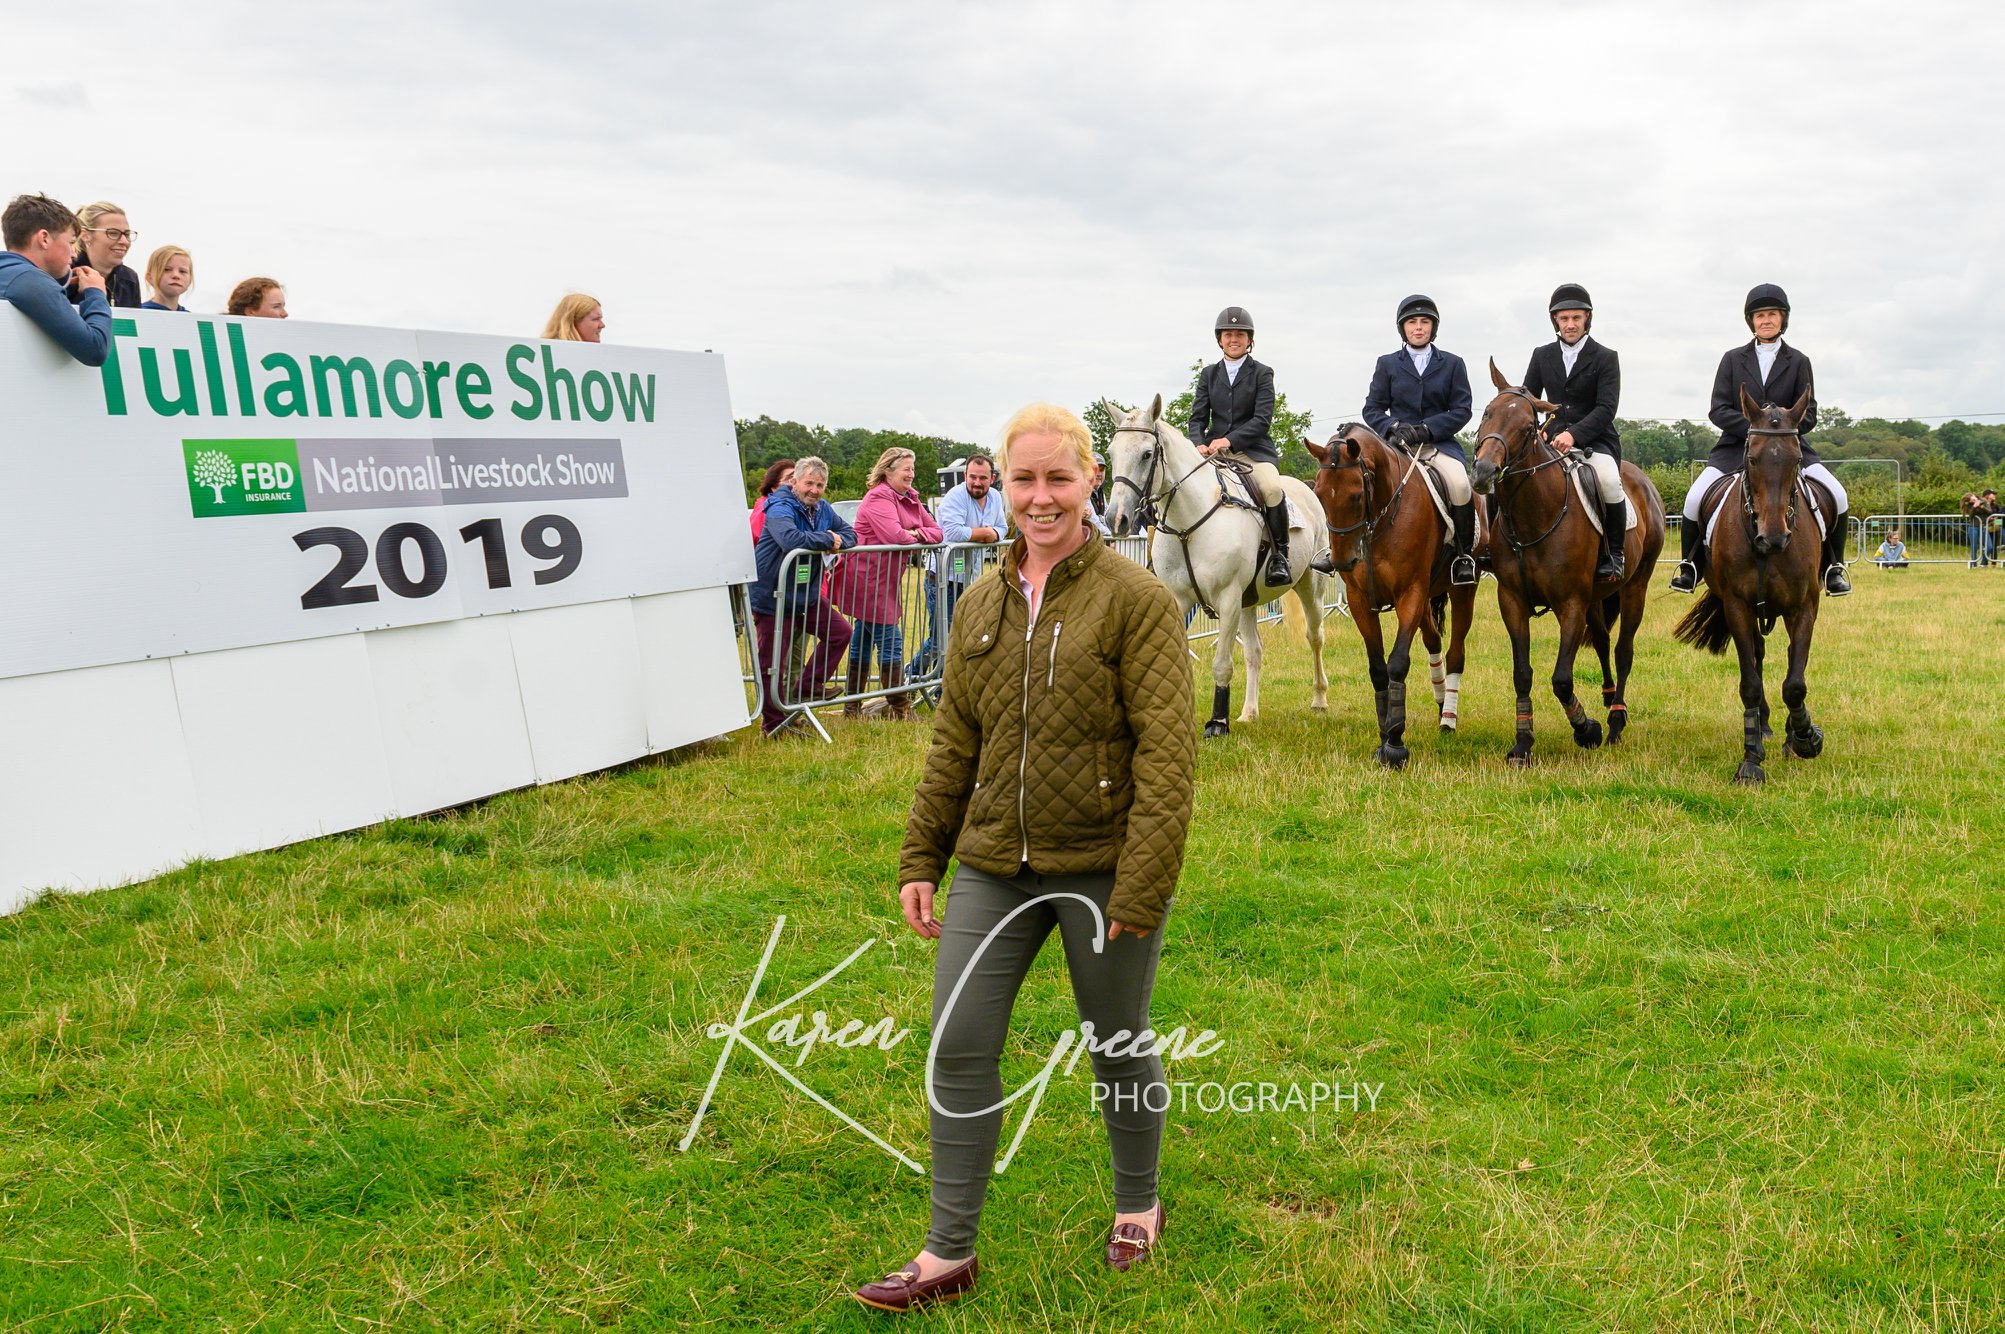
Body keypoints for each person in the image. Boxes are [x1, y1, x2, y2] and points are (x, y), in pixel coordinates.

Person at [854, 403, 1195, 1312]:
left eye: (1057, 478)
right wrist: (921, 857)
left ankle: (1138, 1203)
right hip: (993, 864)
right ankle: (946, 1253)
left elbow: (1168, 759)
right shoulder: (979, 600)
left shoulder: (1136, 601)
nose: (1040, 498)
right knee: (958, 1046)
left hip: (1101, 866)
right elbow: (953, 745)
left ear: (1090, 481)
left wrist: (1141, 887)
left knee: (1115, 1042)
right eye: (1023, 480)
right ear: (1000, 485)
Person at [1672, 284, 1851, 596]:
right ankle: (1691, 565)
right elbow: (1718, 409)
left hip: (1789, 450)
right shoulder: (1732, 359)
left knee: (1838, 494)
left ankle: (1834, 566)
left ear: (1783, 319)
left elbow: (1809, 413)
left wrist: (1780, 429)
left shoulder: (1799, 361)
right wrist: (1755, 429)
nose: (1766, 320)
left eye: (1772, 315)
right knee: (1694, 498)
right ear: (1751, 321)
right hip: (1736, 446)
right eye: (1760, 316)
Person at [1363, 294, 1478, 584]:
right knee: (1362, 482)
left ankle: (1463, 556)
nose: (1418, 327)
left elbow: (1462, 409)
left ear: (1433, 327)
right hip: (1398, 448)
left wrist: (1428, 429)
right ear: (1402, 328)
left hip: (1438, 447)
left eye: (1424, 322)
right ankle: (1354, 549)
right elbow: (1372, 409)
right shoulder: (1387, 364)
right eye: (1412, 322)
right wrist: (1393, 426)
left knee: (1460, 484)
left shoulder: (1453, 364)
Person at [828, 447, 942, 721]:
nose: (911, 474)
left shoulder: (910, 497)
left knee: (864, 637)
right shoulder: (878, 497)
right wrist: (916, 534)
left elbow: (937, 532)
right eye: (907, 469)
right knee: (891, 638)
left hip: (886, 577)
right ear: (888, 471)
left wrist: (915, 533)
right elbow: (896, 536)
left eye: (913, 469)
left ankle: (852, 708)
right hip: (867, 577)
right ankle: (899, 708)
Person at [1523, 283, 1626, 579]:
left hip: (1595, 441)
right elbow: (1529, 400)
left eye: (1576, 318)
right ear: (1555, 320)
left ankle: (1615, 554)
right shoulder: (1541, 355)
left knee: (1609, 481)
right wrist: (1538, 430)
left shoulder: (1606, 357)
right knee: (1512, 476)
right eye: (1564, 318)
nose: (1570, 324)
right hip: (1550, 441)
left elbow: (1606, 408)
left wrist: (1574, 435)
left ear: (1587, 319)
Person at [749, 456, 855, 737]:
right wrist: (827, 539)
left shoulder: (823, 508)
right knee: (773, 662)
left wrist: (838, 540)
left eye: (820, 485)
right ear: (795, 482)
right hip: (773, 596)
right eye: (809, 483)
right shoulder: (779, 506)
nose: (814, 490)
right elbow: (789, 539)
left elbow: (850, 533)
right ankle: (774, 724)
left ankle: (807, 687)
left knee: (840, 632)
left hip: (805, 596)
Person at [1188, 306, 1293, 586]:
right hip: (1213, 454)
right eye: (1228, 334)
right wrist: (1198, 443)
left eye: (1240, 334)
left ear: (1250, 340)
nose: (1234, 339)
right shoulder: (1208, 375)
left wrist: (1230, 440)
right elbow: (1197, 418)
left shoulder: (1262, 373)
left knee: (1272, 488)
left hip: (1252, 451)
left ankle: (1280, 557)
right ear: (1219, 339)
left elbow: (1262, 420)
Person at [907, 452, 1007, 680]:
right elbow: (952, 532)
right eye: (973, 477)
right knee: (940, 639)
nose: (977, 482)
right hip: (943, 578)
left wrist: (991, 533)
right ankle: (911, 676)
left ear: (992, 478)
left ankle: (942, 686)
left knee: (961, 636)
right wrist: (986, 534)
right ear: (965, 476)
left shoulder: (995, 498)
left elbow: (1002, 528)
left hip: (970, 579)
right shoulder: (955, 496)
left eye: (983, 478)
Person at [0, 193, 113, 365]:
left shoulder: (11, 273)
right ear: (44, 239)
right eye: (71, 242)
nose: (74, 254)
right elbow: (95, 350)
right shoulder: (32, 280)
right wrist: (96, 293)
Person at [68, 201, 142, 309]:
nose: (124, 241)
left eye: (127, 234)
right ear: (85, 235)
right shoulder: (66, 274)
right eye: (113, 233)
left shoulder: (129, 279)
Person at [749, 458, 794, 543]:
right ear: (773, 487)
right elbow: (756, 537)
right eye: (790, 479)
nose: (795, 483)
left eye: (798, 478)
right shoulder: (765, 507)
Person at [140, 245, 193, 312]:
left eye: (182, 271)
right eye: (167, 269)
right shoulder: (139, 314)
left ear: (190, 279)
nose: (176, 275)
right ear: (150, 277)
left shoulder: (189, 317)